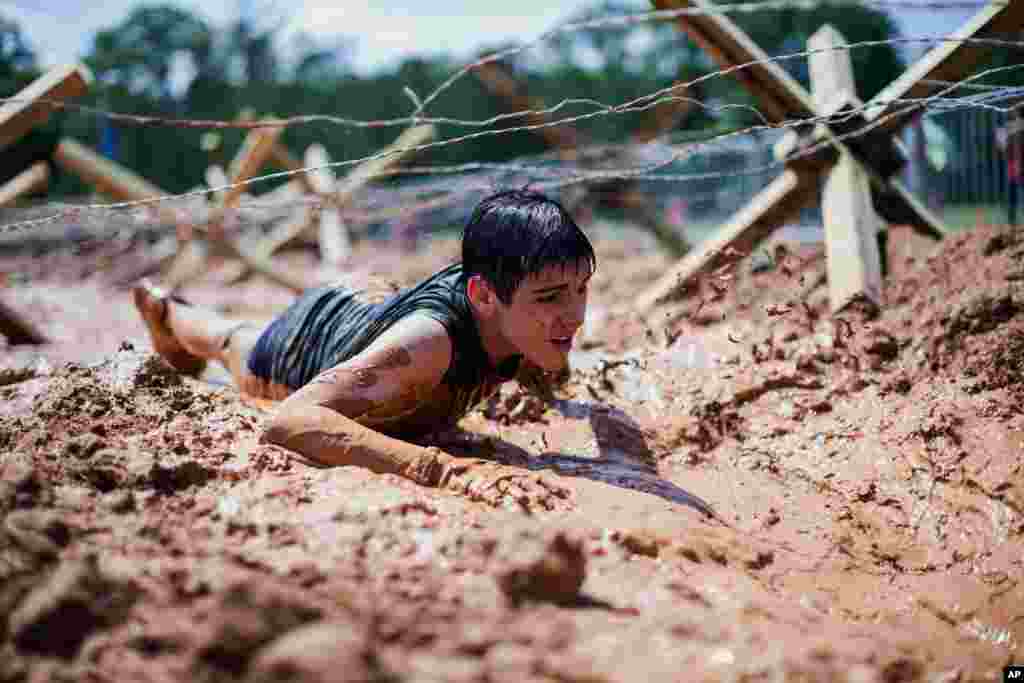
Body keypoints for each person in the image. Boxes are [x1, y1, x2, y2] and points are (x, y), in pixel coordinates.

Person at [132, 190, 594, 499]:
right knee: (236, 345)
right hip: (308, 340)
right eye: (551, 297)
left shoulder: (525, 321)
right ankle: (167, 311)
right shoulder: (430, 342)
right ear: (484, 296)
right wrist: (446, 471)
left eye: (581, 289)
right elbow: (289, 419)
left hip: (374, 304)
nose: (575, 315)